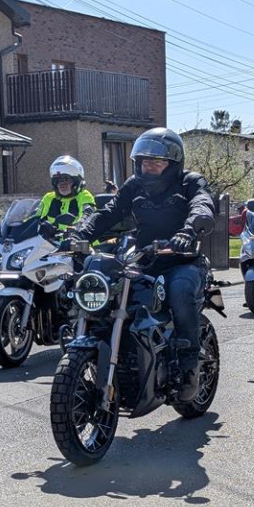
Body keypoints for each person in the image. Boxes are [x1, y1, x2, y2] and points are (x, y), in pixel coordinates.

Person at [65, 127, 216, 402]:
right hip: (144, 258)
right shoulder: (134, 186)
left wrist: (189, 231)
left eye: (156, 162)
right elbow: (109, 212)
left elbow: (203, 205)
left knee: (180, 291)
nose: (149, 167)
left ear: (172, 163)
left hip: (183, 260)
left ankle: (188, 368)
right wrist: (80, 235)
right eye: (145, 162)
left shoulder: (190, 182)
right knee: (107, 287)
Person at [35, 155, 96, 239]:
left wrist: (77, 228)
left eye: (66, 179)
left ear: (76, 181)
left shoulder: (84, 195)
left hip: (82, 244)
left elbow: (88, 215)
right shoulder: (49, 198)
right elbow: (35, 216)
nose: (62, 183)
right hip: (52, 245)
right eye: (58, 180)